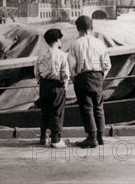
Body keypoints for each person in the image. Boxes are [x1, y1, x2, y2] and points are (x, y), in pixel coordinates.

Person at [68, 15, 111, 148]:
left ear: (78, 28)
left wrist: (75, 78)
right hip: (97, 76)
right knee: (99, 107)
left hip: (83, 77)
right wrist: (100, 76)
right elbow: (107, 64)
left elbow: (71, 65)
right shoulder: (100, 43)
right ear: (91, 28)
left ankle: (91, 137)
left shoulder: (75, 44)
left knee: (87, 107)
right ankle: (100, 136)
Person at [35, 28, 70, 149]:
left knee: (44, 111)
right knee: (57, 111)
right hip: (57, 85)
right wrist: (65, 84)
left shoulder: (42, 54)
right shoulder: (62, 55)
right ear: (57, 40)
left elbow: (36, 71)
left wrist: (40, 81)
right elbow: (65, 73)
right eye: (60, 39)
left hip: (44, 85)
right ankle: (55, 139)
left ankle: (43, 137)